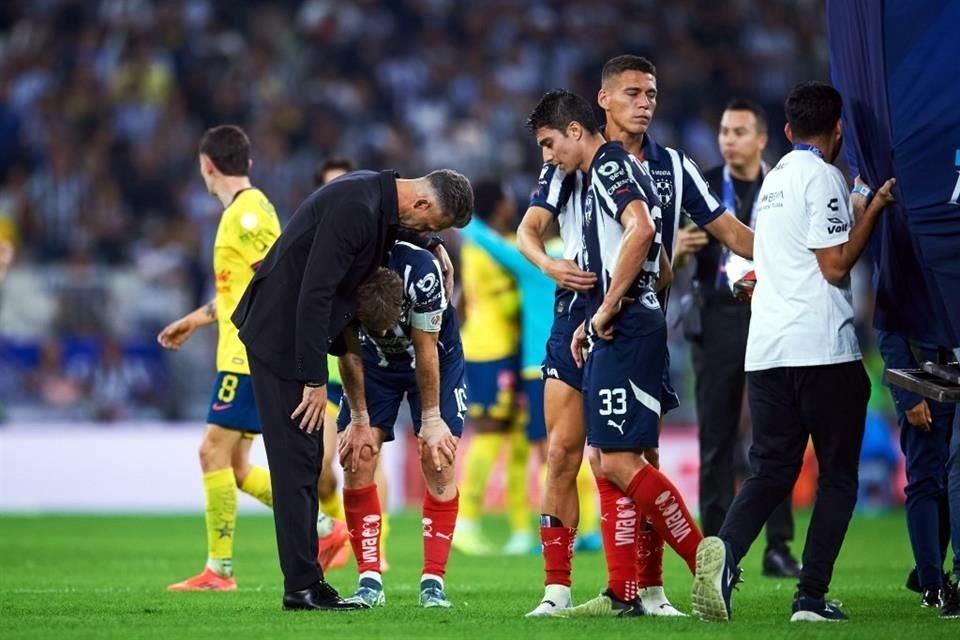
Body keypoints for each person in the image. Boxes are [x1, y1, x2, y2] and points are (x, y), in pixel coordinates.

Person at [531, 54, 755, 618]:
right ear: (602, 101)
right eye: (632, 93)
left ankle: (654, 586)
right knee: (574, 452)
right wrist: (550, 265)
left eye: (651, 93)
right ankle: (576, 590)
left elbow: (728, 232)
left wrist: (804, 249)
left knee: (628, 454)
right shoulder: (568, 156)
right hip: (576, 315)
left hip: (624, 314)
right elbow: (530, 228)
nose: (645, 102)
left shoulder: (671, 166)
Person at [692, 81, 896, 623]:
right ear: (838, 131)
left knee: (770, 470)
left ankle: (726, 557)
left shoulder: (775, 181)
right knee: (836, 477)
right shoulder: (824, 177)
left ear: (784, 132)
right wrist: (872, 208)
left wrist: (851, 203)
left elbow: (790, 252)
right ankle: (810, 597)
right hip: (822, 351)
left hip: (766, 353)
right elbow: (833, 266)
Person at [232, 166, 472, 610]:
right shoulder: (356, 211)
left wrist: (433, 244)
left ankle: (310, 584)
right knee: (296, 466)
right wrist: (315, 381)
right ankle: (303, 588)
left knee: (304, 462)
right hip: (281, 337)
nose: (426, 232)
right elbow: (315, 297)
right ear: (420, 204)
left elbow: (384, 254)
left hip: (298, 336)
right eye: (431, 225)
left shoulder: (373, 201)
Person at [676, 98, 800, 578]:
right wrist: (680, 251)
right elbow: (670, 257)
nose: (729, 139)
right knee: (717, 437)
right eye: (725, 131)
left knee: (778, 436)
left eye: (740, 131)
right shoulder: (703, 186)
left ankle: (778, 547)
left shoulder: (784, 185)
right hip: (718, 316)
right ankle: (718, 553)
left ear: (762, 138)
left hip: (773, 313)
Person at [159, 125, 282, 591]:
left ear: (207, 166)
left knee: (211, 451)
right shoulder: (248, 208)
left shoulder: (247, 217)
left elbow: (274, 279)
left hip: (244, 357)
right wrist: (194, 320)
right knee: (235, 467)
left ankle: (220, 571)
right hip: (241, 351)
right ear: (246, 163)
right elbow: (240, 291)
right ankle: (324, 530)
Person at [457, 195, 601, 553]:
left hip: (537, 367)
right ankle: (588, 530)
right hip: (580, 359)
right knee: (576, 447)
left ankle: (550, 527)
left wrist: (462, 215)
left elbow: (491, 244)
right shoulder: (582, 260)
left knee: (547, 453)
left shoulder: (537, 263)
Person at [335, 243, 466, 609]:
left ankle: (433, 582)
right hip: (373, 367)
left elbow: (426, 352)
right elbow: (347, 354)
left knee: (436, 455)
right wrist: (359, 419)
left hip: (437, 358)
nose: (386, 331)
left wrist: (432, 418)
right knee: (357, 456)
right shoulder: (341, 283)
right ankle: (369, 580)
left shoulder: (422, 276)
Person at [311, 158, 391, 573]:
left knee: (369, 457)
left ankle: (379, 548)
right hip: (328, 378)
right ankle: (337, 535)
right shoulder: (318, 244)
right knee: (324, 470)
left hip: (370, 369)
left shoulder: (373, 241)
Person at [455, 179, 531, 556]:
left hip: (504, 349)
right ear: (496, 205)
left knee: (514, 435)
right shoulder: (486, 248)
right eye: (506, 198)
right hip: (491, 350)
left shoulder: (487, 244)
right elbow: (505, 305)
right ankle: (465, 522)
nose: (510, 204)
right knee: (487, 432)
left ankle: (521, 528)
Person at [877, 330, 956, 611]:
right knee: (927, 480)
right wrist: (908, 395)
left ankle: (928, 572)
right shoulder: (902, 283)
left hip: (950, 369)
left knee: (950, 482)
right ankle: (931, 584)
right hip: (924, 376)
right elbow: (888, 330)